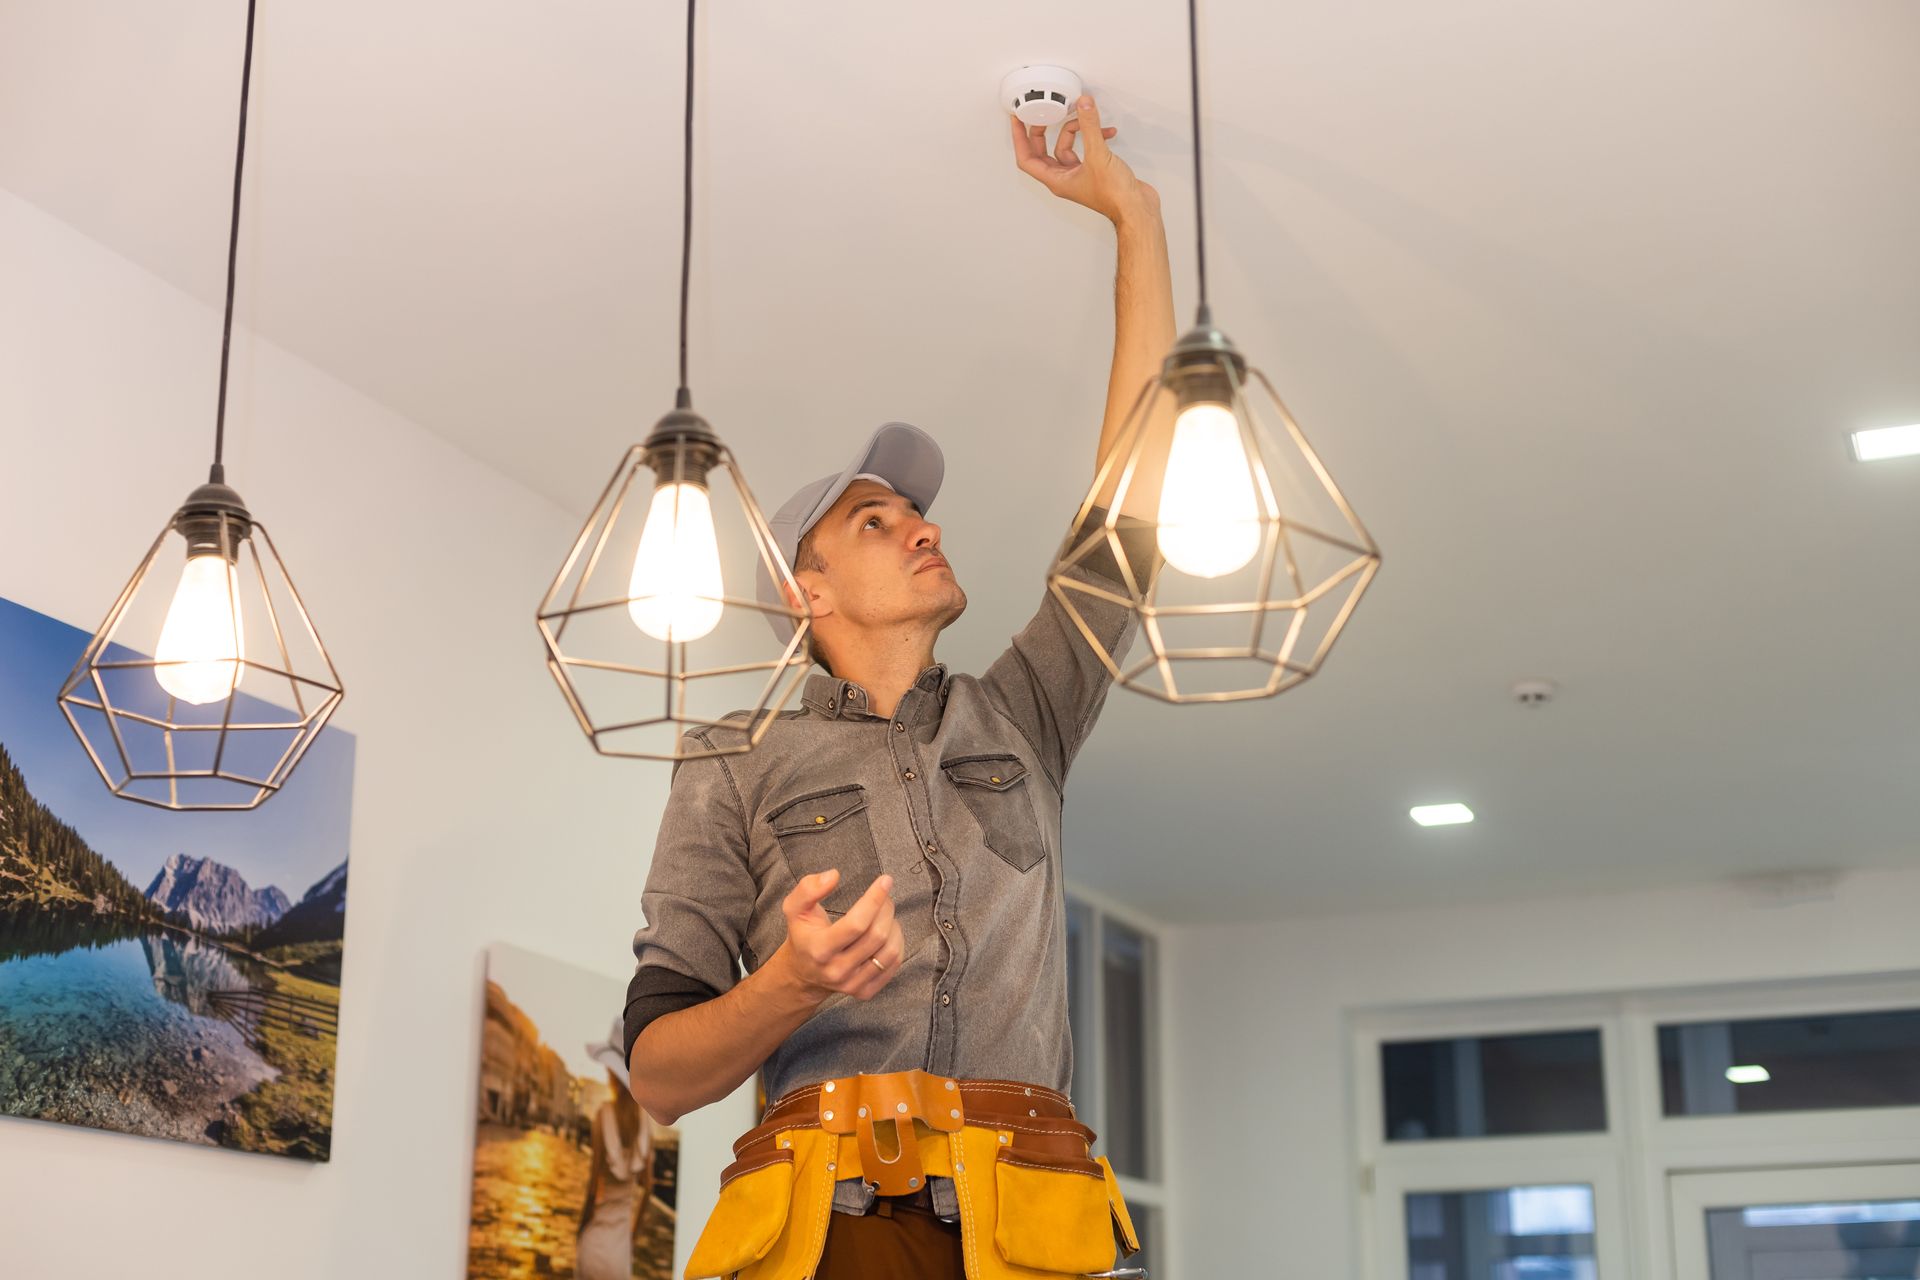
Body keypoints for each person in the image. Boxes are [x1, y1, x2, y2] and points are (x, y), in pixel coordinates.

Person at [623, 94, 1169, 1278]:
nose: (922, 527)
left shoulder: (1021, 710)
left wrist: (1137, 219)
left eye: (920, 511)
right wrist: (788, 984)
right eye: (877, 519)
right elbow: (659, 1074)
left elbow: (1130, 510)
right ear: (806, 592)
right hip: (837, 1228)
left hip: (1039, 1220)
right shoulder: (732, 757)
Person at [579, 1019, 655, 1280]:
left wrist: (580, 1231)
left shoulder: (603, 1116)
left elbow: (592, 1187)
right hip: (619, 1253)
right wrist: (632, 1237)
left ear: (612, 1073)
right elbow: (648, 1188)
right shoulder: (646, 1124)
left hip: (593, 1244)